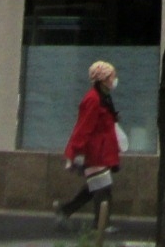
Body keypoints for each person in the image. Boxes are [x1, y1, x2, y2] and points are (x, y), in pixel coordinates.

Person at [55, 60, 123, 245]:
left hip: (102, 150)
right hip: (95, 151)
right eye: (112, 77)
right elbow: (84, 127)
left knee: (95, 187)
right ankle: (100, 224)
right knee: (102, 187)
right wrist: (76, 152)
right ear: (103, 79)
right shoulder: (93, 99)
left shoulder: (103, 97)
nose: (114, 79)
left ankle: (66, 210)